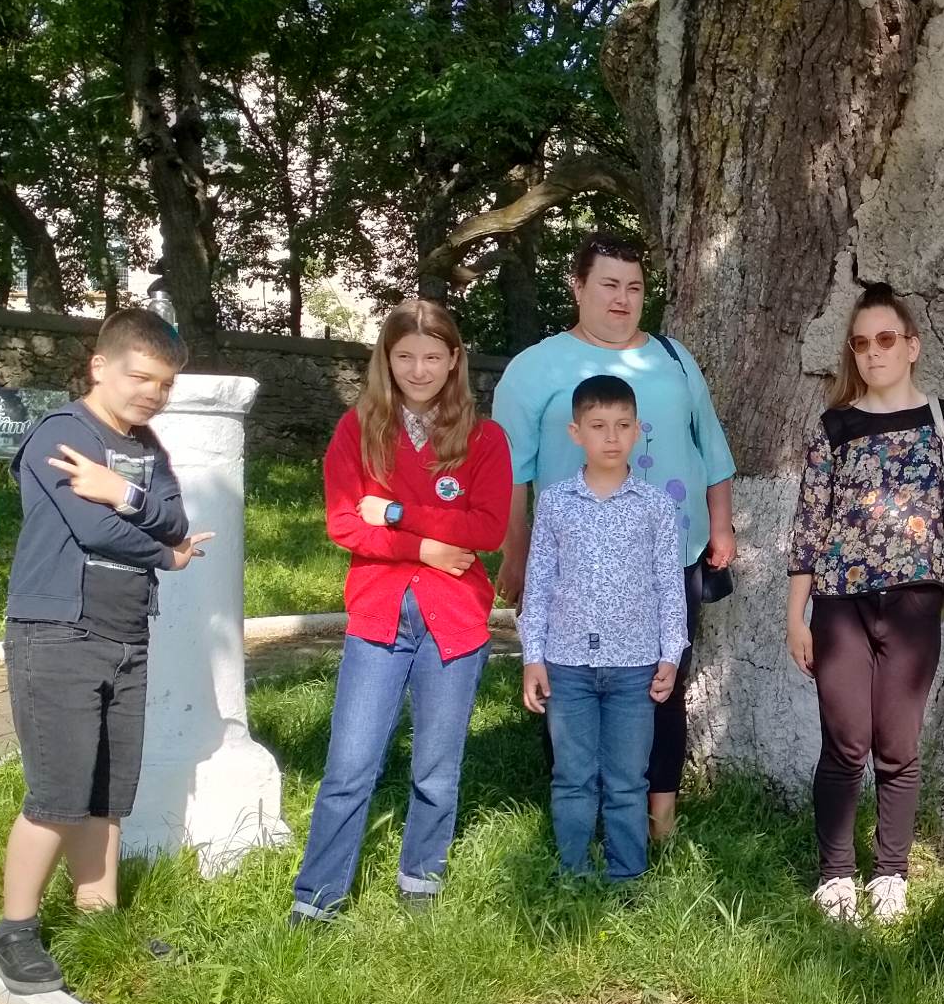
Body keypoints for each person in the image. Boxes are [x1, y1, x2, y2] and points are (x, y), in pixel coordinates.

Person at [787, 283, 944, 924]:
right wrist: (795, 616)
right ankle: (836, 873)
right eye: (861, 343)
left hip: (915, 605)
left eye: (886, 339)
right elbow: (809, 526)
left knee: (897, 744)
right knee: (845, 741)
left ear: (912, 346)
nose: (873, 352)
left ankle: (890, 872)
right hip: (839, 604)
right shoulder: (835, 428)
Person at [0, 309, 211, 994]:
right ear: (99, 367)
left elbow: (173, 514)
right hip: (59, 632)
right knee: (57, 794)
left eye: (164, 384)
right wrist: (168, 557)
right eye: (140, 377)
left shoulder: (145, 446)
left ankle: (98, 921)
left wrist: (123, 491)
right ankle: (15, 930)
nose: (153, 393)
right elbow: (94, 530)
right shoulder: (60, 434)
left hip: (127, 634)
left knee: (107, 796)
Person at [493, 235, 735, 843]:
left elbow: (711, 445)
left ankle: (659, 821)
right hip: (573, 566)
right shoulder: (535, 369)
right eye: (608, 285)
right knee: (570, 686)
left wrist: (721, 525)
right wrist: (516, 556)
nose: (622, 299)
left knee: (663, 685)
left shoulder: (674, 359)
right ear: (577, 287)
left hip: (669, 557)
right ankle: (584, 817)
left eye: (634, 287)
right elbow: (511, 473)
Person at [290, 300, 512, 922]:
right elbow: (343, 524)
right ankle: (317, 897)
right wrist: (427, 547)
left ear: (455, 360)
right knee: (348, 766)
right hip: (379, 616)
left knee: (436, 769)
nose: (419, 370)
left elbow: (487, 529)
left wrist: (392, 513)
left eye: (433, 357)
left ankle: (421, 883)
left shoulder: (484, 438)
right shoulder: (358, 430)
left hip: (454, 620)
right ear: (385, 360)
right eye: (405, 356)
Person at [520, 376, 689, 882]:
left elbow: (669, 586)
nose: (611, 437)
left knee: (627, 780)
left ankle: (626, 877)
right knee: (572, 776)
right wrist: (532, 656)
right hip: (567, 663)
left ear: (637, 431)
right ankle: (572, 875)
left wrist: (671, 655)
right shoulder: (555, 503)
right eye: (598, 426)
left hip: (635, 666)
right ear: (576, 433)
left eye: (622, 425)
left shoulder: (655, 506)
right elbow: (539, 582)